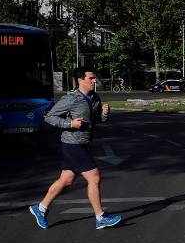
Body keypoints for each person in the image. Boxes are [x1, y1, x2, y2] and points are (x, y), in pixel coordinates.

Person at [29, 68, 121, 230]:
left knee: (67, 179)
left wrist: (105, 114)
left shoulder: (94, 97)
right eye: (91, 78)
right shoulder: (71, 98)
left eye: (94, 78)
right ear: (80, 80)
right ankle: (100, 217)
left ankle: (40, 208)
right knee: (94, 177)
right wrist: (69, 124)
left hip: (84, 142)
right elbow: (49, 117)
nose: (94, 81)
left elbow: (98, 119)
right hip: (72, 144)